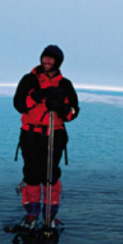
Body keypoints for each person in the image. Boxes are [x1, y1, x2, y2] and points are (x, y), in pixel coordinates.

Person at [13, 45, 80, 230]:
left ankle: (49, 216)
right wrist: (37, 95)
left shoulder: (65, 85)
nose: (47, 61)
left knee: (50, 176)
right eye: (45, 57)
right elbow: (19, 104)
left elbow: (73, 112)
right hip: (30, 135)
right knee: (31, 175)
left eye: (51, 59)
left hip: (54, 135)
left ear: (58, 62)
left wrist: (61, 107)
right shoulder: (29, 80)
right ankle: (31, 215)